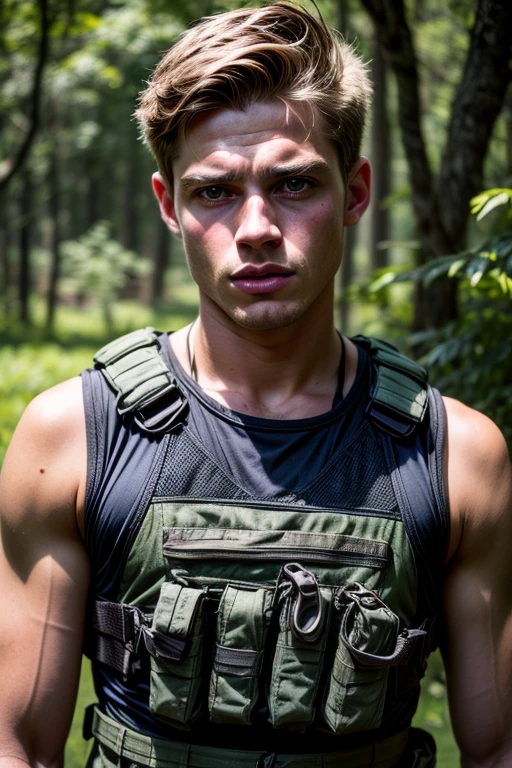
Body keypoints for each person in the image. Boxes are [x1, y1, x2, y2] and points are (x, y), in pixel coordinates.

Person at [1, 2, 511, 766]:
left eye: (295, 184)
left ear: (356, 192)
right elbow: (17, 749)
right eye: (214, 192)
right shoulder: (71, 440)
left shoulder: (459, 459)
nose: (256, 228)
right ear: (169, 204)